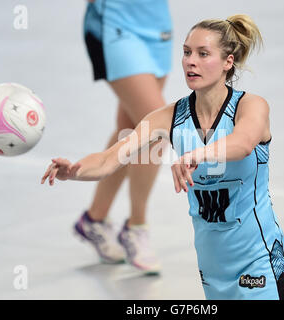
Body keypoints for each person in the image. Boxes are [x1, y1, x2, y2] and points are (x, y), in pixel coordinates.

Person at [43, 14, 284, 299]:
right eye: (187, 52)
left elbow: (244, 143)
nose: (191, 61)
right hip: (212, 271)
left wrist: (198, 154)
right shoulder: (170, 117)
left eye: (203, 54)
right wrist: (73, 170)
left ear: (228, 61)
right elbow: (108, 160)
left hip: (259, 261)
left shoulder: (250, 106)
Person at [75, 0, 173, 274]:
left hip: (157, 22)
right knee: (156, 129)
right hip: (115, 22)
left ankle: (94, 219)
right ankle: (136, 226)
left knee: (131, 129)